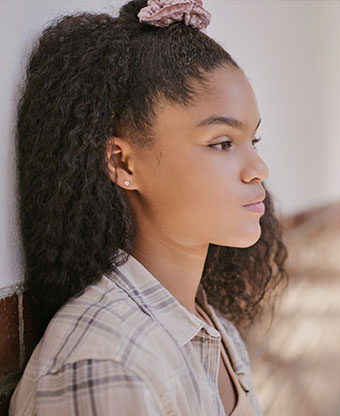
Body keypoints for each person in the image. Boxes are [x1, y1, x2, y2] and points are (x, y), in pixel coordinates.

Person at [10, 1, 287, 415]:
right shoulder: (107, 361)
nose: (258, 169)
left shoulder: (215, 330)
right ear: (123, 162)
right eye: (222, 143)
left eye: (254, 142)